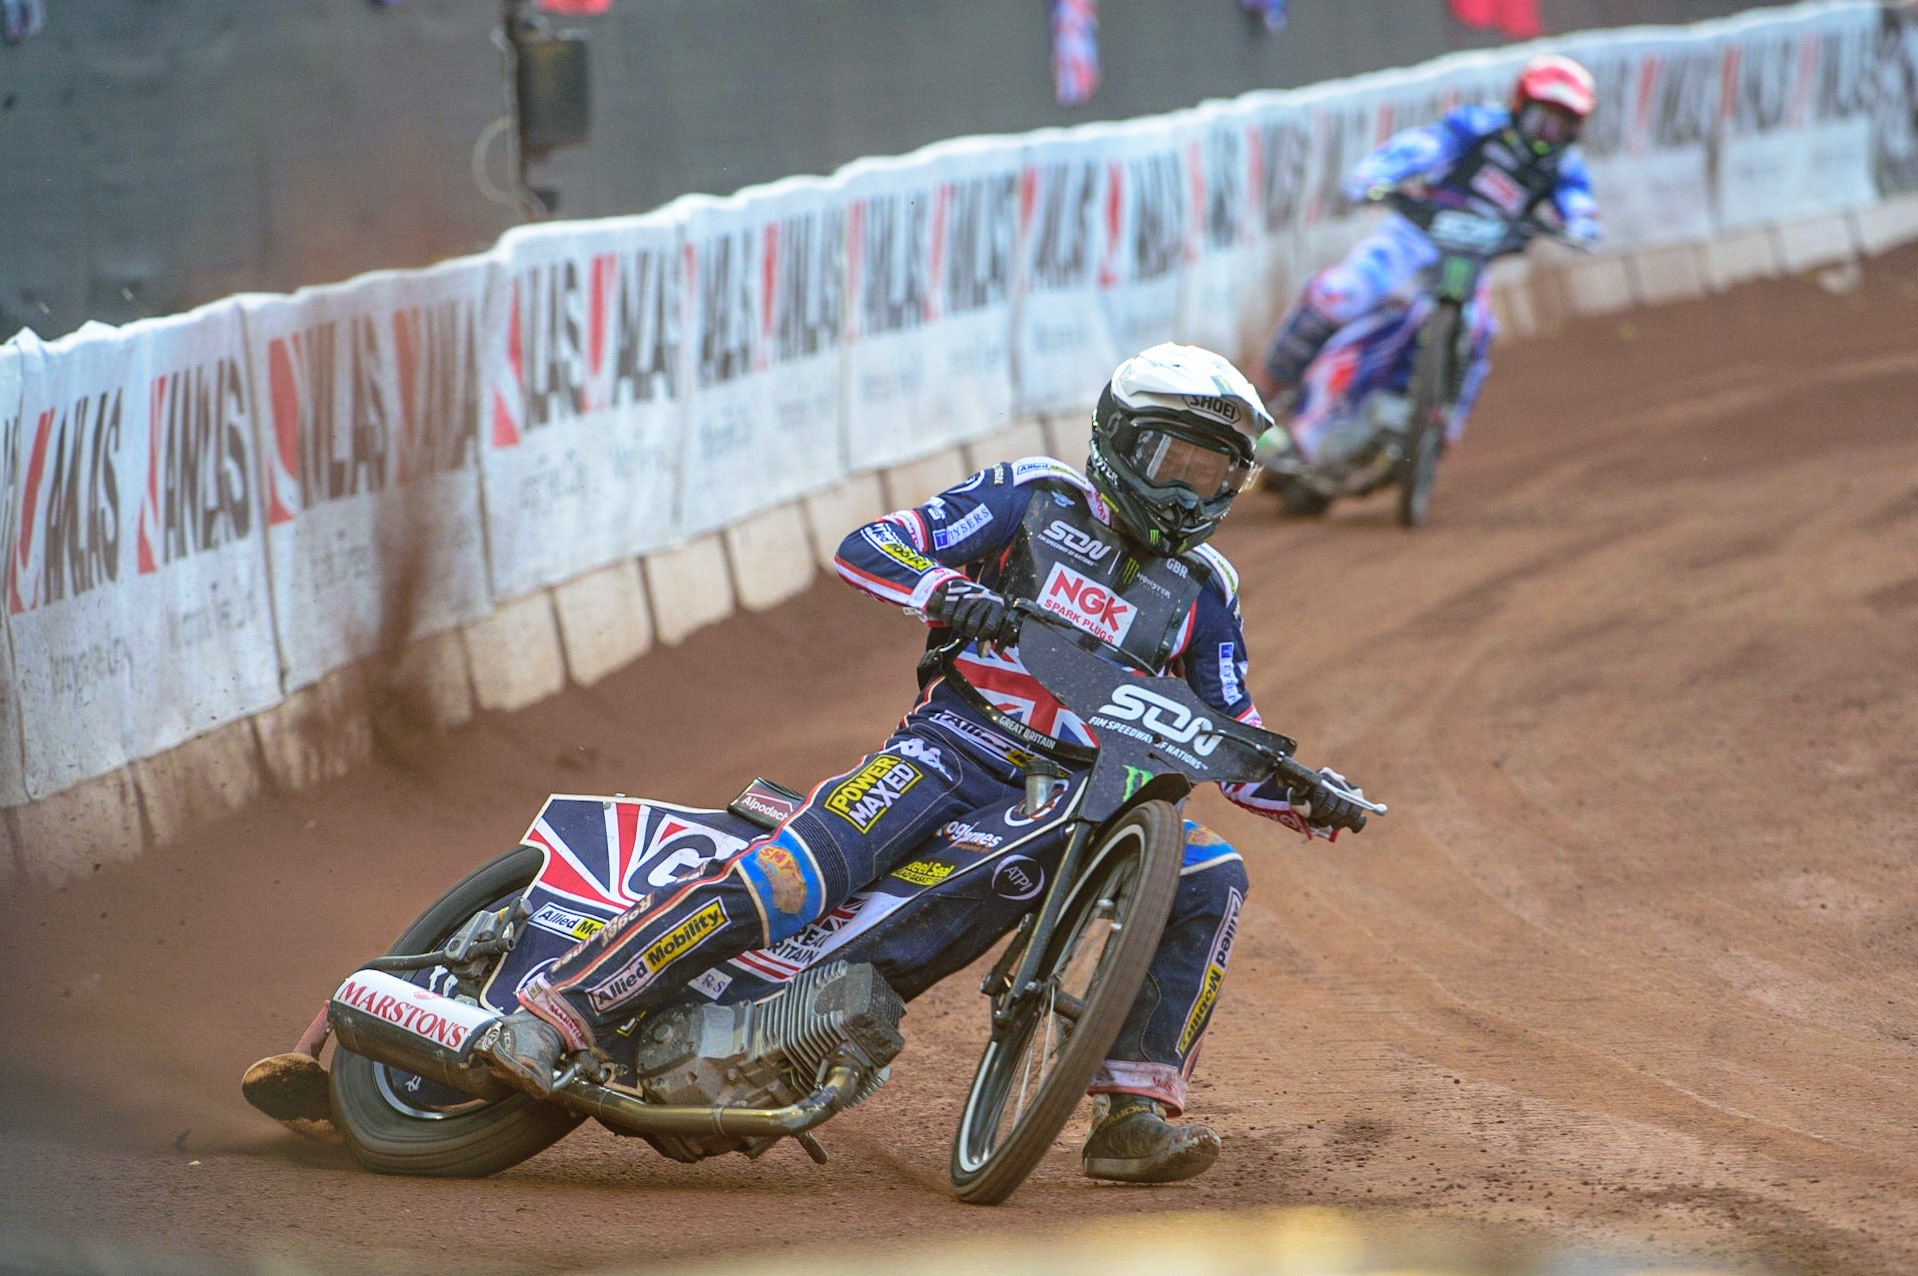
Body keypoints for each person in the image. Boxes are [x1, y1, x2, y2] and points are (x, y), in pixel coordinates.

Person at [478, 343, 1370, 1184]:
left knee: (1211, 872)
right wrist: (954, 594)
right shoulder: (1034, 497)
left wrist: (1307, 794)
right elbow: (870, 546)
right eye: (1177, 462)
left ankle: (1128, 1116)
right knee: (796, 878)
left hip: (1077, 794)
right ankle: (565, 1009)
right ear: (1122, 443)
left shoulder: (1206, 589)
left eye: (1214, 474)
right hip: (948, 747)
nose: (1191, 491)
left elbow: (1229, 725)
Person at [1254, 53, 1602, 463]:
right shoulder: (1477, 126)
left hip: (1469, 263)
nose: (1548, 135)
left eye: (1562, 126)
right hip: (1411, 238)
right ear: (1519, 108)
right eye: (1541, 121)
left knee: (1478, 330)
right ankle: (1264, 399)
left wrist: (1581, 226)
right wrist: (1377, 174)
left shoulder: (1565, 168)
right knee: (1337, 294)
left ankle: (1442, 430)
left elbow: (1579, 204)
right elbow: (1422, 147)